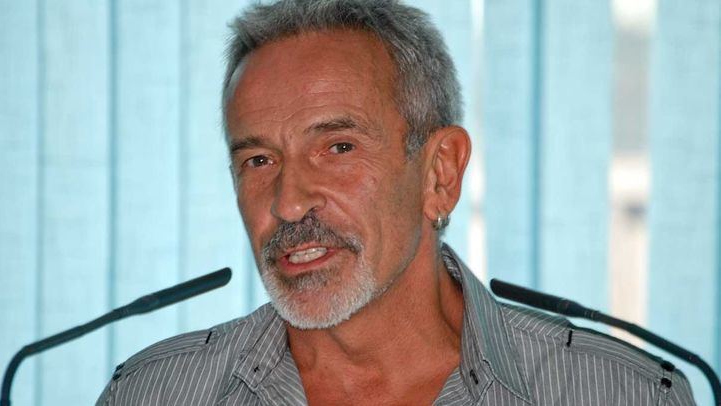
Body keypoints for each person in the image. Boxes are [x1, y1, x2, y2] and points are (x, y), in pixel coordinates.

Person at [97, 0, 696, 404]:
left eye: (338, 147)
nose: (287, 203)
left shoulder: (622, 392)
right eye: (258, 160)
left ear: (439, 173)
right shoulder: (153, 392)